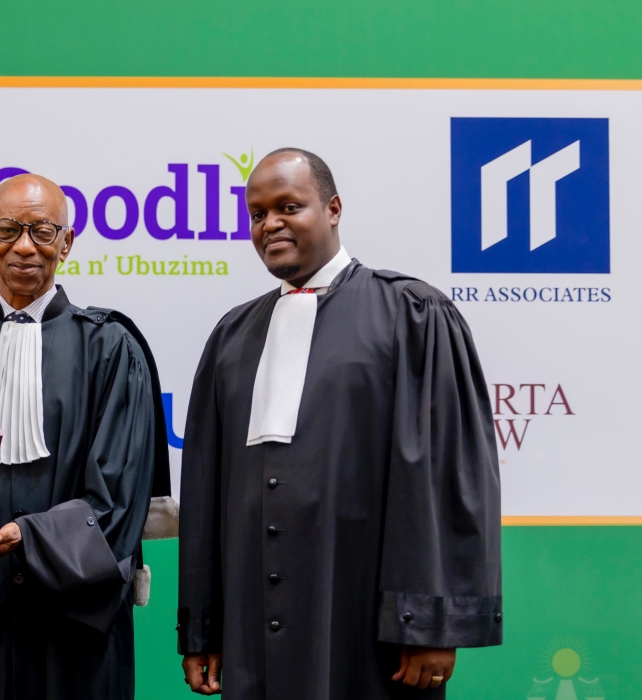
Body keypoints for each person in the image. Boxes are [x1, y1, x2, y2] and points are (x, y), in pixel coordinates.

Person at [177, 149, 502, 699]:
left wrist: (428, 624)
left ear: (332, 208)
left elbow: (449, 479)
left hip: (370, 624)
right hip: (254, 629)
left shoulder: (412, 315)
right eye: (257, 214)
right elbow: (206, 494)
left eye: (289, 206)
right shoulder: (232, 338)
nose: (270, 224)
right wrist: (204, 627)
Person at [0, 173, 171, 700]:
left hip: (74, 622)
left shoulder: (112, 349)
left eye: (42, 231)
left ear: (67, 243)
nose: (24, 246)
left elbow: (119, 497)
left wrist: (28, 538)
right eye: (8, 229)